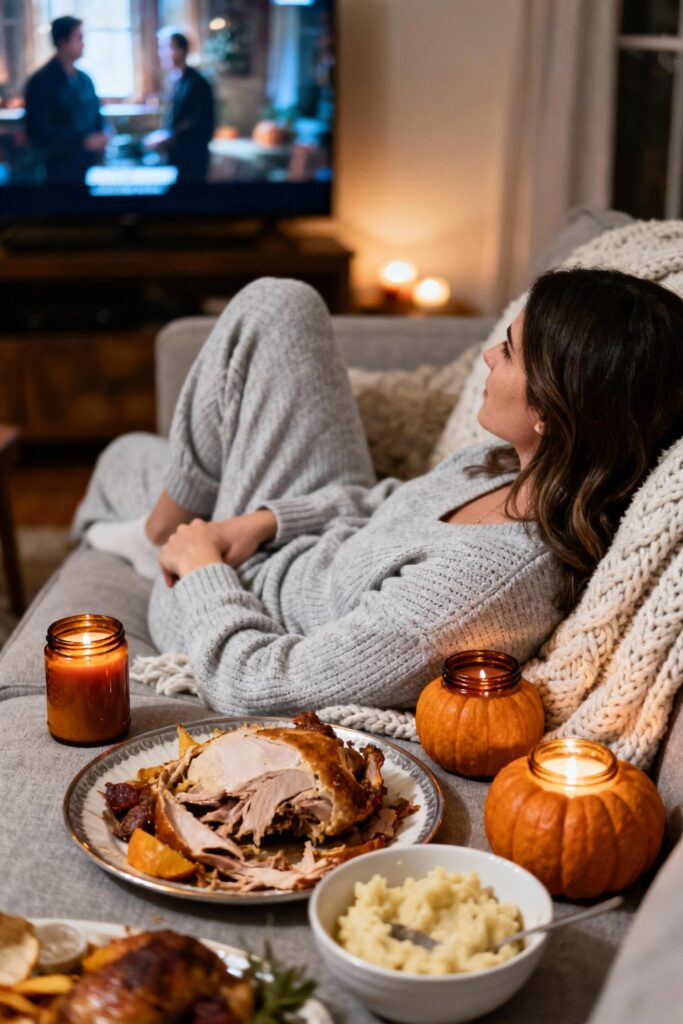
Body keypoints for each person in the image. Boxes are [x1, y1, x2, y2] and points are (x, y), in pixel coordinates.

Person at [78, 270, 683, 717]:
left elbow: (258, 682)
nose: (486, 356)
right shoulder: (513, 466)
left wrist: (202, 567)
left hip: (242, 605)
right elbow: (385, 503)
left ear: (553, 409)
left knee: (123, 462)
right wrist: (263, 521)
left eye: (509, 351)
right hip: (292, 548)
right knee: (280, 304)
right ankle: (163, 528)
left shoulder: (476, 592)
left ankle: (161, 539)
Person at [24, 16, 107, 185]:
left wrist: (104, 134)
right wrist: (82, 141)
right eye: (79, 38)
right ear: (62, 41)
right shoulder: (41, 82)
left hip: (89, 168)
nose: (84, 44)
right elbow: (39, 131)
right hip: (57, 171)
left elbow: (97, 117)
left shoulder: (85, 80)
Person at [144, 29, 215, 185]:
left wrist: (169, 137)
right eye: (161, 48)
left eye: (167, 48)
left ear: (182, 51)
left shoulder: (197, 82)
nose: (162, 53)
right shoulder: (173, 80)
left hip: (192, 157)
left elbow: (199, 120)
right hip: (175, 155)